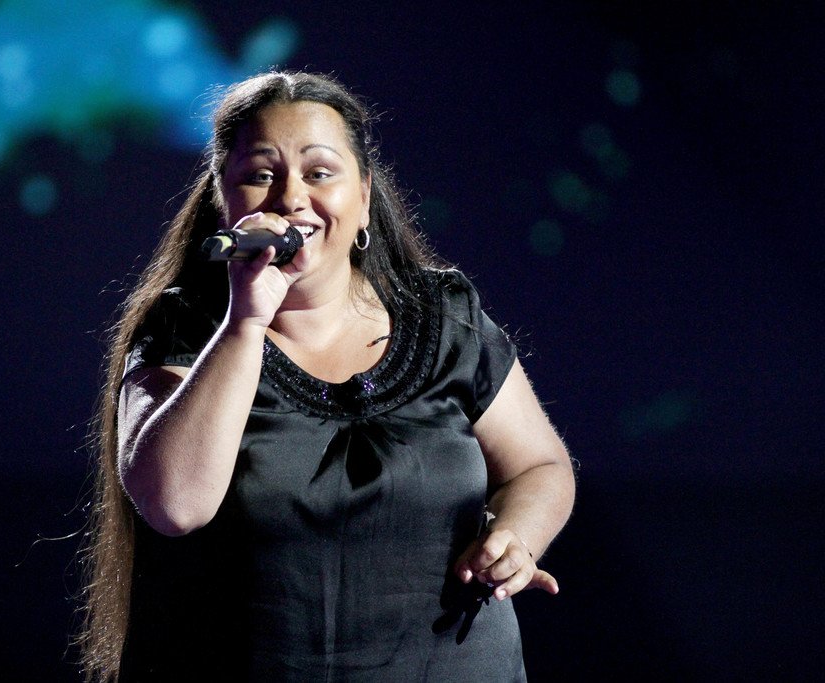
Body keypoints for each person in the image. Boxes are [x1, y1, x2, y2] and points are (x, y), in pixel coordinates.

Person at [78, 71, 576, 681]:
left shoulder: (442, 316)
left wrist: (517, 537)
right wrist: (246, 322)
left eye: (319, 173)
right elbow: (175, 505)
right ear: (223, 200)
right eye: (261, 174)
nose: (291, 197)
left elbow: (540, 466)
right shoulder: (183, 328)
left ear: (363, 197)